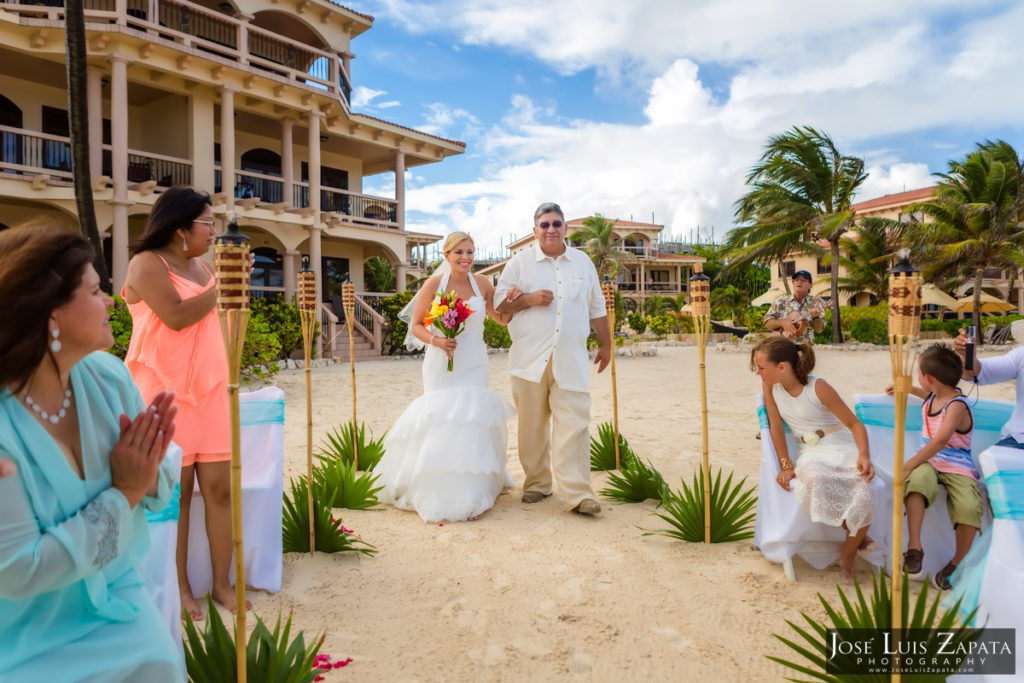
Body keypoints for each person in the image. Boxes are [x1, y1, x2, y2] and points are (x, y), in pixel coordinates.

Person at [0, 223, 183, 681]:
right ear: (51, 315)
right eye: (95, 290)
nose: (109, 302)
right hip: (22, 634)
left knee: (159, 662)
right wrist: (124, 492)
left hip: (118, 599)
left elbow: (157, 493)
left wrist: (151, 462)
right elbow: (20, 570)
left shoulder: (107, 377)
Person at [122, 186, 248, 618]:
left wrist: (231, 285)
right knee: (176, 495)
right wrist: (228, 284)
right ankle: (179, 588)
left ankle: (221, 584)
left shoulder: (202, 268)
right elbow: (175, 316)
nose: (212, 231)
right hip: (163, 397)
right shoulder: (145, 264)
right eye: (207, 223)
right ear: (181, 228)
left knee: (219, 489)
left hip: (211, 392)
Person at [376, 232, 517, 522]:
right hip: (441, 361)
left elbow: (500, 319)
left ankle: (473, 489)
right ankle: (438, 486)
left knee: (471, 420)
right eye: (459, 253)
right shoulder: (433, 284)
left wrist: (512, 304)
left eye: (470, 252)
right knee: (443, 420)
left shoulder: (483, 284)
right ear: (446, 256)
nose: (466, 258)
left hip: (475, 361)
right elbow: (416, 325)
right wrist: (437, 341)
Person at [494, 202, 611, 516]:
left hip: (570, 359)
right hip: (528, 359)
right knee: (531, 427)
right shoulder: (519, 263)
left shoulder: (583, 263)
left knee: (574, 423)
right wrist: (529, 299)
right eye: (544, 225)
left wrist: (606, 344)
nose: (551, 229)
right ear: (534, 231)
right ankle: (537, 485)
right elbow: (498, 305)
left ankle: (578, 494)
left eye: (556, 223)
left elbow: (596, 306)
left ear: (565, 229)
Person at [752, 336, 875, 582]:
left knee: (864, 490)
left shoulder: (817, 387)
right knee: (816, 478)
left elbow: (854, 424)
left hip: (841, 445)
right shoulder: (770, 388)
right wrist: (786, 465)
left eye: (762, 367)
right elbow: (776, 426)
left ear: (782, 367)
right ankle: (858, 537)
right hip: (811, 451)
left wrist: (864, 455)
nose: (758, 373)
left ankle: (848, 556)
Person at [886, 345, 978, 590]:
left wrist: (909, 464)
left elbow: (939, 441)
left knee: (968, 506)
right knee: (917, 485)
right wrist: (908, 389)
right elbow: (927, 395)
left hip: (956, 465)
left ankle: (957, 563)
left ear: (929, 379)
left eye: (918, 374)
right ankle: (914, 548)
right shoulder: (934, 396)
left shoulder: (957, 405)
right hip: (930, 461)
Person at [763, 270, 832, 344]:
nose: (799, 282)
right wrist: (782, 323)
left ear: (810, 285)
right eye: (796, 279)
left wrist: (815, 317)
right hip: (783, 347)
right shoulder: (781, 301)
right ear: (793, 283)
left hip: (805, 349)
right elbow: (767, 322)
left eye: (803, 280)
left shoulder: (816, 302)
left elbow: (819, 330)